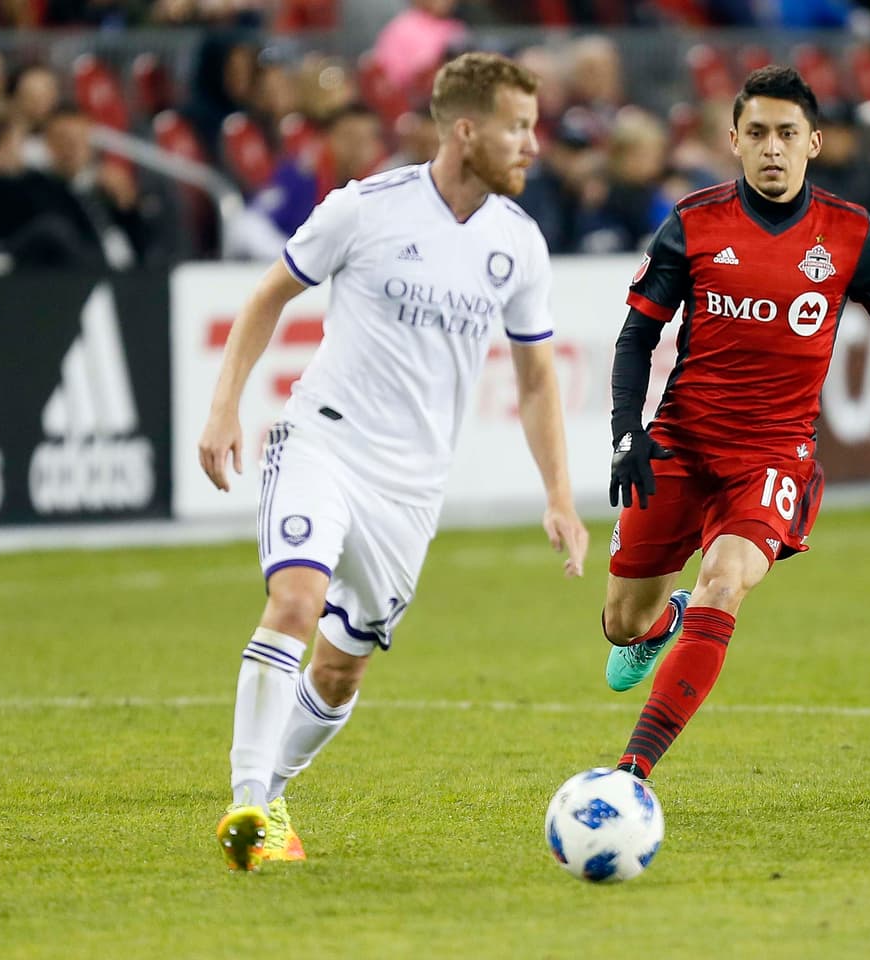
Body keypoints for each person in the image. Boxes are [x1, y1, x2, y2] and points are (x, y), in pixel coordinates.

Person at [199, 51, 590, 872]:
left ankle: (272, 793)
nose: (533, 145)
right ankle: (247, 804)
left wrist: (559, 494)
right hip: (323, 440)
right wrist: (225, 405)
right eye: (518, 128)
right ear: (466, 130)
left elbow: (534, 380)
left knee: (341, 671)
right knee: (294, 600)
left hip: (411, 487)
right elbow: (269, 295)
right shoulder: (365, 208)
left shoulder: (518, 244)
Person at [599, 66, 870, 782]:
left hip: (773, 456)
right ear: (734, 141)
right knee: (622, 624)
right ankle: (663, 622)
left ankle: (631, 772)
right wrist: (628, 433)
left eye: (785, 133)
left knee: (725, 582)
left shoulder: (853, 234)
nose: (771, 148)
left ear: (813, 142)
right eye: (756, 133)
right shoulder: (693, 223)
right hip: (681, 443)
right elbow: (636, 337)